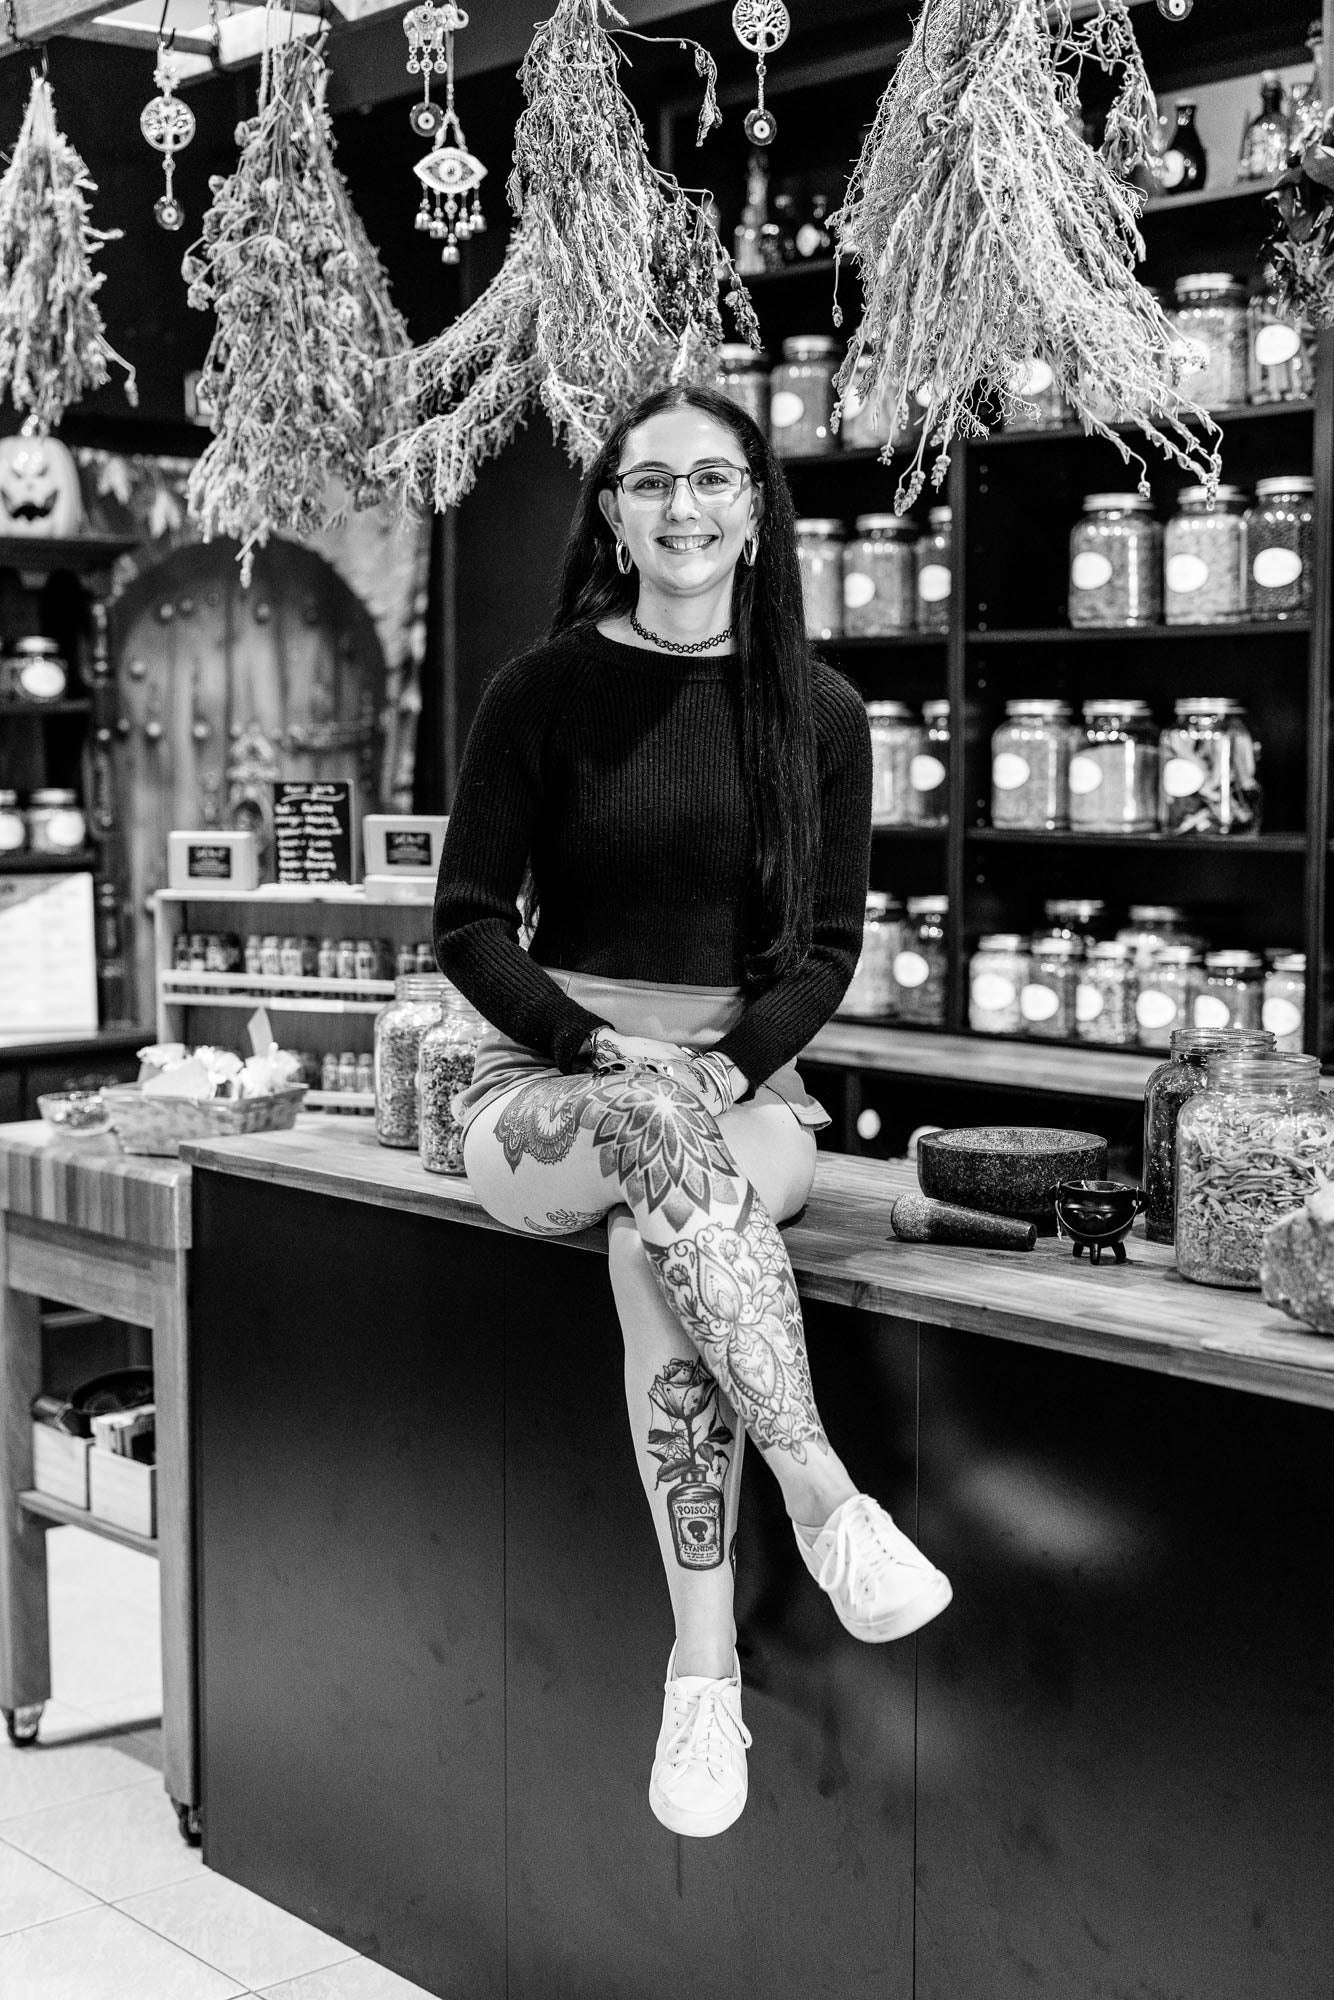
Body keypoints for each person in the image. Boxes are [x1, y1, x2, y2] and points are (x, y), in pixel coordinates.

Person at [433, 380, 952, 1840]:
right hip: (548, 1084)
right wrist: (596, 1048)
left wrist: (719, 1069)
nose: (682, 507)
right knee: (654, 1166)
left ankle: (703, 1671)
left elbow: (827, 952)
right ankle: (822, 1500)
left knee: (657, 1230)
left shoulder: (822, 712)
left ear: (755, 511)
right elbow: (470, 923)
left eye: (713, 480)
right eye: (649, 481)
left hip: (741, 1083)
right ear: (609, 510)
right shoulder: (538, 693)